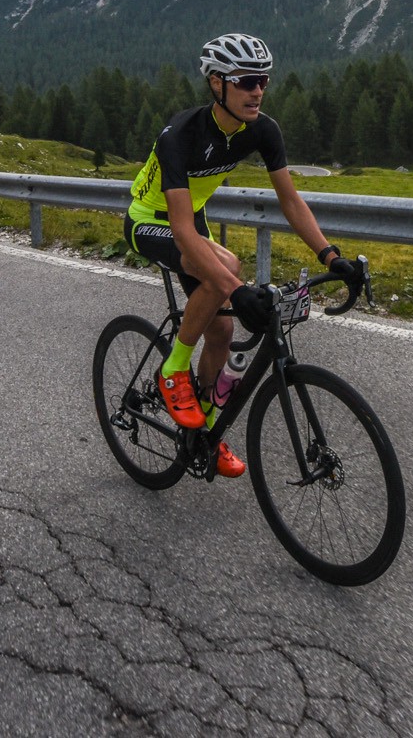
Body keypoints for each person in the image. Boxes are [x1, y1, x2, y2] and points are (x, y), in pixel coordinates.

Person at [124, 33, 362, 479]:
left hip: (191, 221)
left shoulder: (262, 129)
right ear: (217, 83)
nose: (258, 90)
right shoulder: (180, 135)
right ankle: (172, 369)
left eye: (264, 81)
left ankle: (207, 433)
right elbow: (178, 228)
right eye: (247, 81)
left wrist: (330, 256)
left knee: (223, 331)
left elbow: (290, 201)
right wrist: (237, 288)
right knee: (227, 270)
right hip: (149, 220)